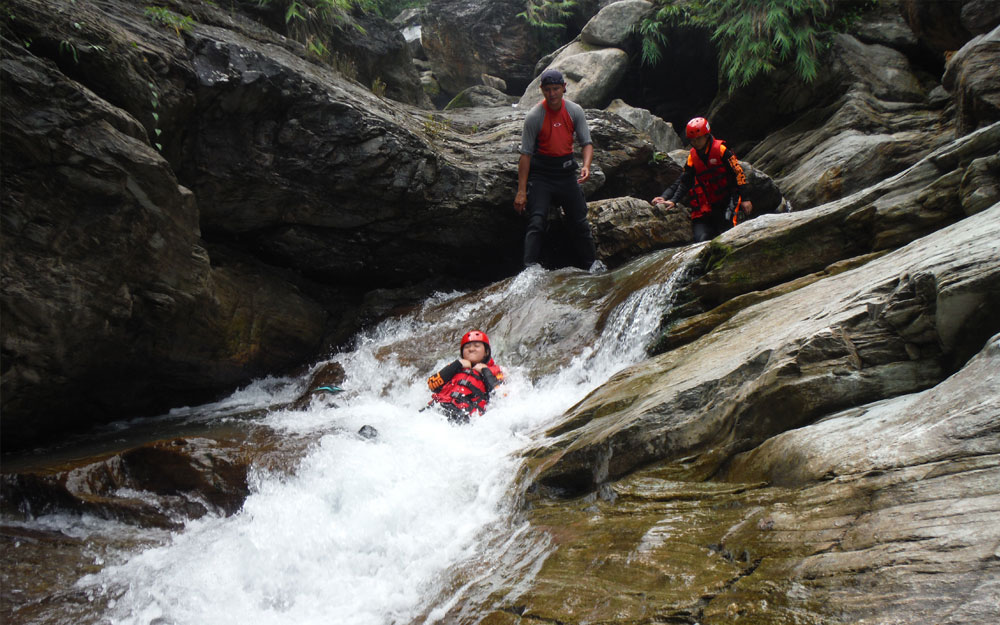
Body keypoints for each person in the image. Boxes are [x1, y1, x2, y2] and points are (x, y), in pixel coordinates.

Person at [514, 69, 604, 272]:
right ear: (541, 90)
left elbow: (587, 143)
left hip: (566, 174)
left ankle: (592, 265)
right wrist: (521, 192)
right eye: (547, 89)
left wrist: (586, 166)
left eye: (555, 89)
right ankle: (529, 269)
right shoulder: (534, 116)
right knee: (537, 221)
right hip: (542, 176)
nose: (552, 94)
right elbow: (525, 155)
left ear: (564, 88)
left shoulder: (574, 111)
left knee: (580, 222)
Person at [651, 117, 753, 243]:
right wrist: (672, 200)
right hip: (713, 201)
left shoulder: (722, 150)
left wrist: (746, 198)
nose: (696, 142)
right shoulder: (692, 157)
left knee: (729, 226)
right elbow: (684, 181)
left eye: (698, 139)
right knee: (706, 236)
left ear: (706, 135)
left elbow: (738, 174)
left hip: (731, 196)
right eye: (692, 140)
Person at [426, 330, 505, 424]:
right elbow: (432, 384)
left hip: (465, 416)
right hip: (438, 408)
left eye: (477, 346)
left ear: (486, 352)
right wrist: (457, 364)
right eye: (467, 347)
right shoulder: (455, 367)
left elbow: (501, 396)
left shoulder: (496, 371)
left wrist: (485, 371)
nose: (471, 349)